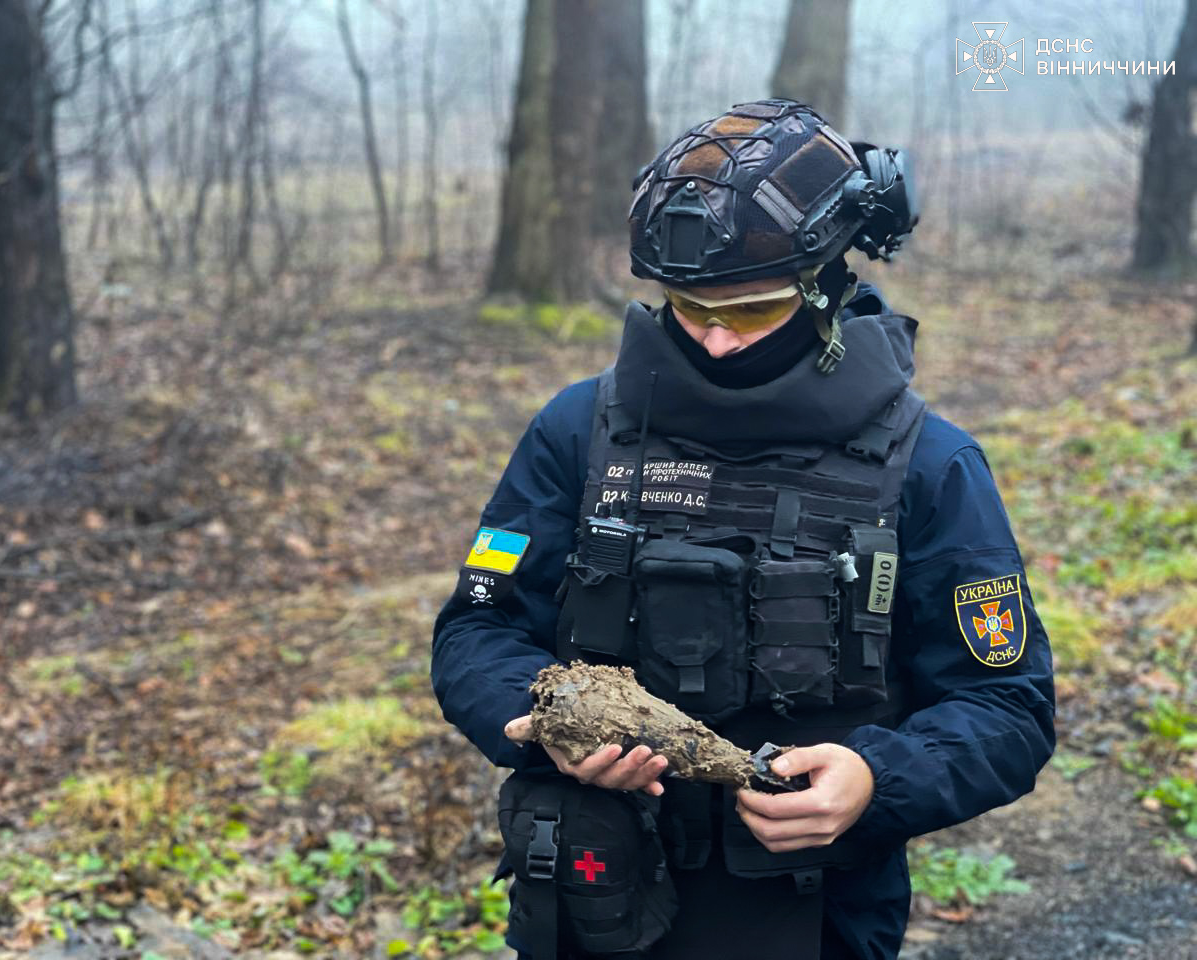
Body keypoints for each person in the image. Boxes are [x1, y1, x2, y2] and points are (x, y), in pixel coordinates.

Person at [432, 99, 1055, 960]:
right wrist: (545, 723)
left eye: (755, 311)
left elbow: (1007, 706)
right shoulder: (578, 432)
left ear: (827, 284)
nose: (719, 340)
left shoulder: (930, 465)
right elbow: (477, 628)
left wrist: (878, 780)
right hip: (592, 895)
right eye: (689, 307)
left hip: (816, 911)